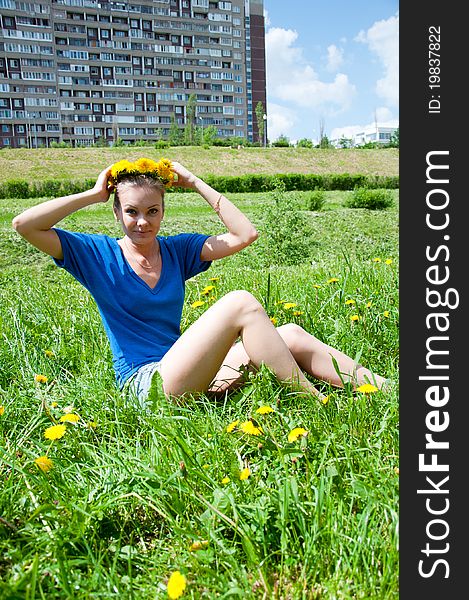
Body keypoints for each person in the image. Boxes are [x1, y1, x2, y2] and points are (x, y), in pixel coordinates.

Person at [12, 157, 387, 406]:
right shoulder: (95, 255)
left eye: (152, 211)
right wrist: (94, 194)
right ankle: (317, 406)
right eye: (131, 212)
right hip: (147, 386)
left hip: (183, 369)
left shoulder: (176, 251)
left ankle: (384, 389)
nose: (142, 222)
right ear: (116, 211)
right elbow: (24, 225)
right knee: (241, 303)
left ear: (163, 211)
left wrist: (194, 182)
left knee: (287, 331)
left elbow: (244, 234)